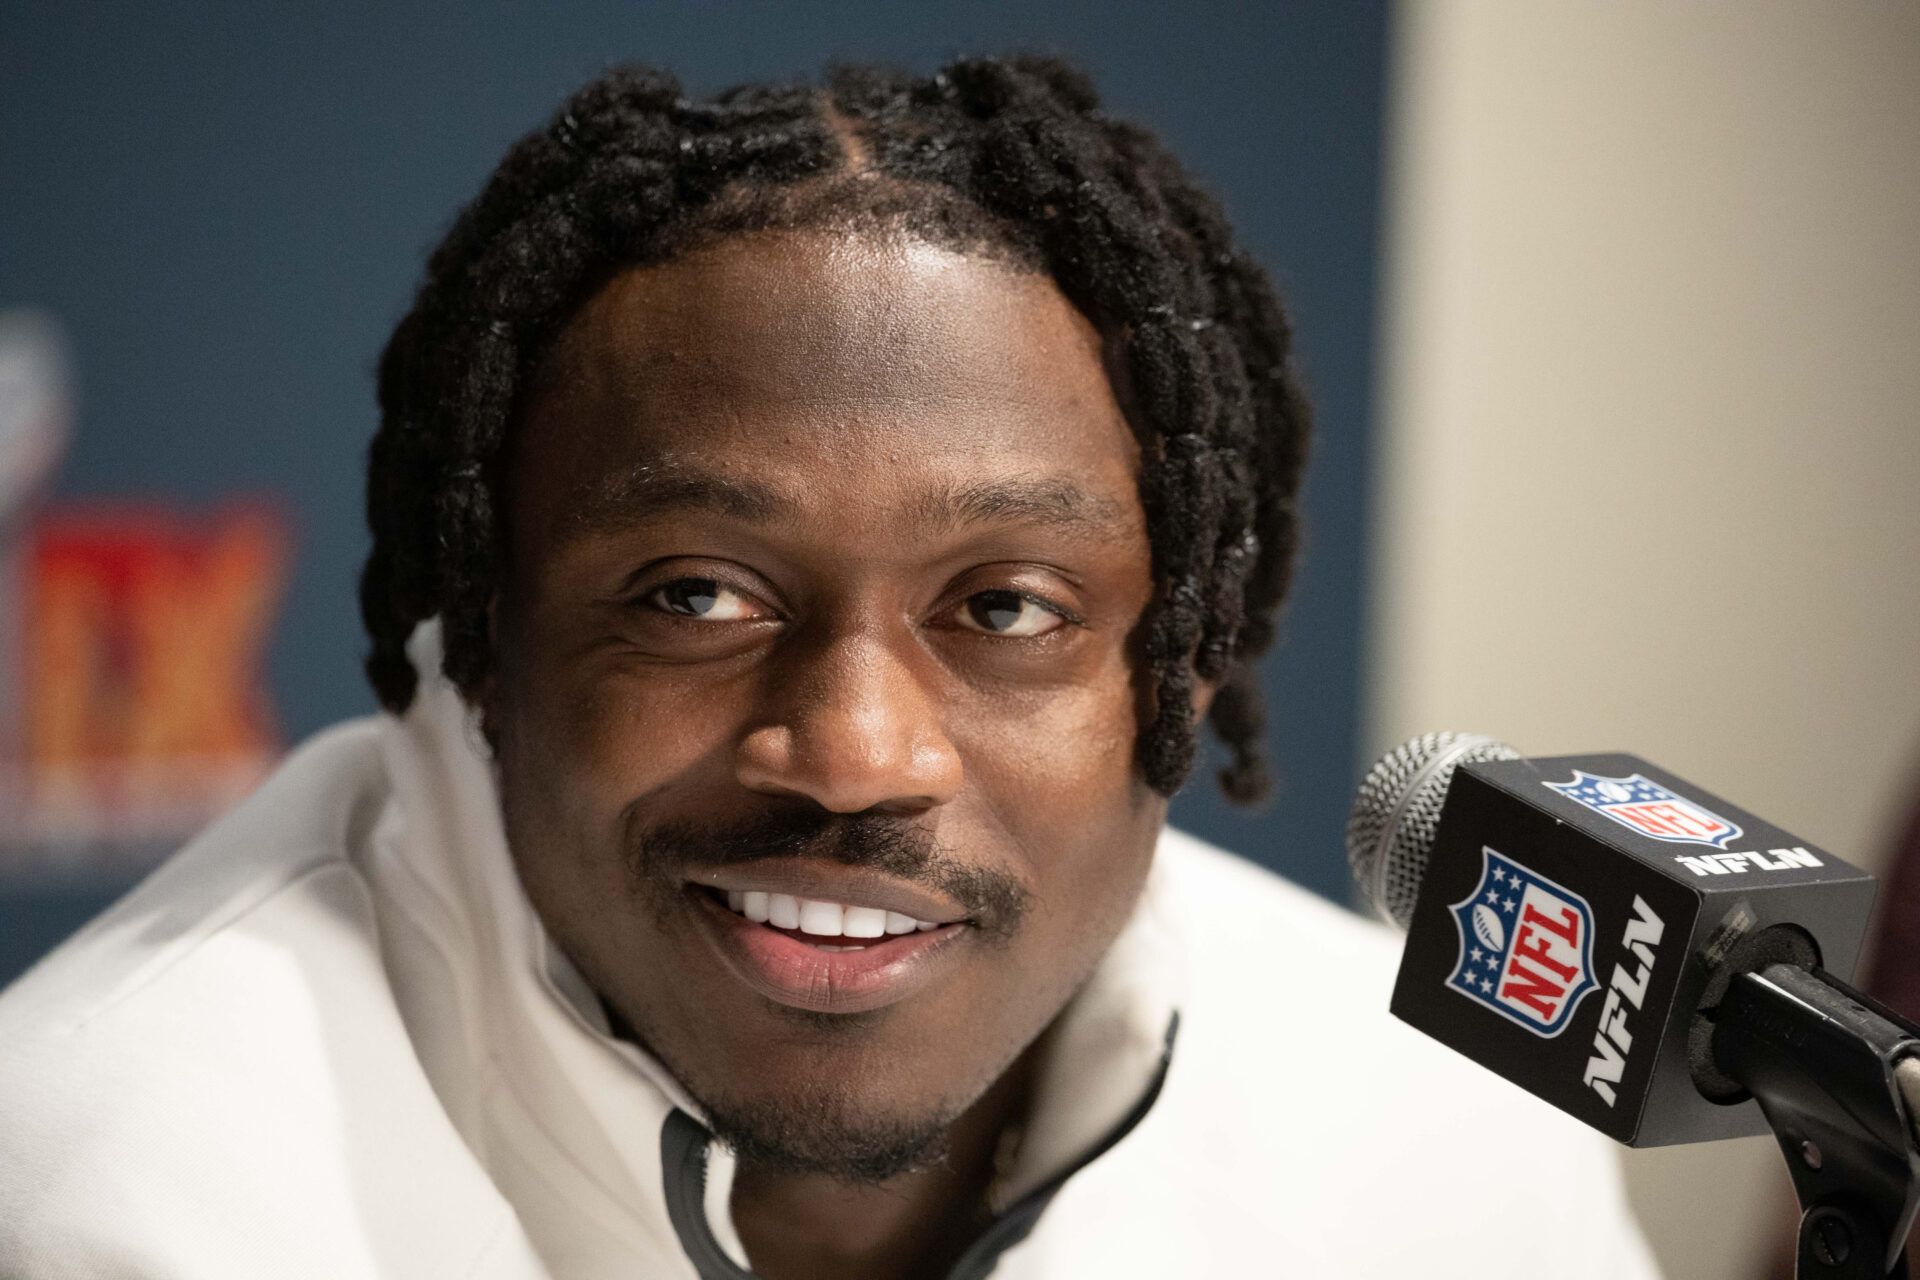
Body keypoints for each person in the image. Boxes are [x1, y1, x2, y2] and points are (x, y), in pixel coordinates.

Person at [0, 55, 1660, 1278]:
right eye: (697, 595)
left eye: (1006, 609)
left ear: (1191, 658)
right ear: (485, 636)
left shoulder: (1454, 1158)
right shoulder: (118, 1199)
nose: (857, 752)